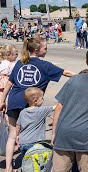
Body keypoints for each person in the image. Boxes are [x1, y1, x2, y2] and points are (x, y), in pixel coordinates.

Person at [0, 37, 75, 172]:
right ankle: (30, 164)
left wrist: (2, 101)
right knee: (32, 137)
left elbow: (10, 83)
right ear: (36, 50)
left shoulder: (20, 63)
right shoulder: (45, 65)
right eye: (45, 48)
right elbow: (66, 73)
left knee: (12, 135)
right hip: (29, 103)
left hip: (13, 100)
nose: (46, 50)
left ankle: (8, 168)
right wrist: (85, 77)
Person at [16, 87, 55, 156]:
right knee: (36, 164)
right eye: (42, 98)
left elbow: (18, 125)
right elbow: (56, 107)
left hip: (23, 142)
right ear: (36, 101)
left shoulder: (23, 112)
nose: (43, 99)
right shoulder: (42, 110)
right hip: (35, 143)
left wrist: (17, 135)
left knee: (26, 162)